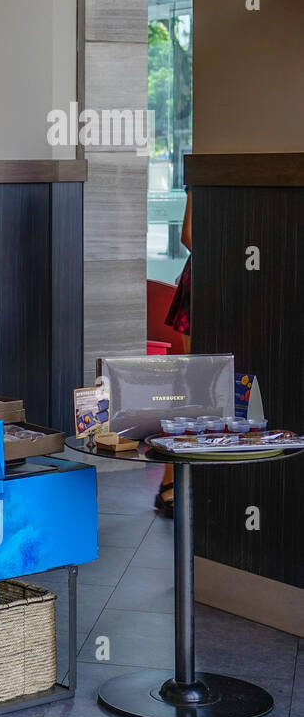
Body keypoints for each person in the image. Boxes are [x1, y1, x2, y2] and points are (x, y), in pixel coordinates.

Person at [156, 190, 193, 517]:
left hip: (231, 282)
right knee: (193, 386)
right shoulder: (201, 176)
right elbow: (190, 237)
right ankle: (170, 479)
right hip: (208, 281)